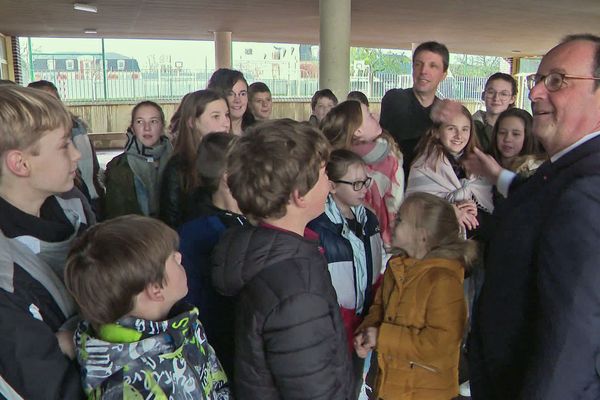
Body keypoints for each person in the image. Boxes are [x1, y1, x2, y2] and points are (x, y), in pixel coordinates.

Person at [467, 34, 600, 400]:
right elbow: (537, 198)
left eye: (556, 80)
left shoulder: (589, 188)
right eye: (537, 80)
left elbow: (572, 342)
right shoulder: (566, 170)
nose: (536, 93)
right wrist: (497, 175)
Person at [212, 119, 353, 399]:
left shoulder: (262, 250)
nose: (330, 183)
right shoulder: (298, 293)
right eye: (324, 174)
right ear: (299, 195)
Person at [64, 215, 231, 399]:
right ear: (156, 289)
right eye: (172, 258)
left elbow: (216, 380)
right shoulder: (124, 387)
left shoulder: (182, 322)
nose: (180, 256)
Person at [0, 85, 87, 399]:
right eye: (64, 145)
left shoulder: (72, 208)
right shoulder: (4, 272)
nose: (77, 153)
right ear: (21, 164)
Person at [354, 192, 475, 400]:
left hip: (426, 393)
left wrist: (381, 336)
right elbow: (380, 308)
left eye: (400, 219)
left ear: (423, 236)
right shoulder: (397, 267)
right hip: (391, 386)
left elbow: (440, 345)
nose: (393, 222)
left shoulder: (443, 280)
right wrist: (367, 333)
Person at [307, 149, 385, 396]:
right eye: (356, 184)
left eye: (366, 181)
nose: (364, 188)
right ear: (331, 186)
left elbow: (375, 270)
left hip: (364, 322)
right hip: (337, 327)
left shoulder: (369, 220)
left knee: (356, 382)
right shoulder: (318, 228)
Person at [178, 133, 248, 379]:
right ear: (228, 179)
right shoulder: (200, 233)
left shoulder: (241, 220)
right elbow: (196, 305)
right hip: (222, 349)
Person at [321, 100, 404, 246]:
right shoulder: (389, 159)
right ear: (358, 131)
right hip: (379, 239)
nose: (374, 115)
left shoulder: (333, 162)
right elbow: (396, 202)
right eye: (369, 115)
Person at [405, 102, 493, 235]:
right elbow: (413, 209)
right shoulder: (423, 166)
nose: (459, 135)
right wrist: (449, 211)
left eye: (465, 129)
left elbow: (488, 215)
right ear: (437, 132)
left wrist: (474, 211)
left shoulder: (479, 166)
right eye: (451, 128)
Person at [27, 80, 104, 216]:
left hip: (92, 196)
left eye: (52, 101)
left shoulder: (78, 128)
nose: (75, 155)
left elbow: (93, 166)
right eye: (42, 102)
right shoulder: (32, 138)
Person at [159, 89, 230, 228]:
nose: (226, 123)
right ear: (192, 122)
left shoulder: (235, 159)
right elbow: (170, 222)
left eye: (227, 115)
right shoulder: (177, 168)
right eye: (216, 116)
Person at [379, 41, 449, 179]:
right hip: (392, 181)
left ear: (443, 75)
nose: (423, 71)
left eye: (433, 66)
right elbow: (402, 134)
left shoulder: (444, 111)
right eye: (418, 64)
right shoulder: (395, 98)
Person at [103, 101, 173, 219]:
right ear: (133, 128)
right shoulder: (118, 167)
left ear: (162, 126)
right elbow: (116, 218)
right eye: (140, 122)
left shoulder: (178, 162)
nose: (147, 128)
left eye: (153, 121)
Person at [489, 107, 544, 175]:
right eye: (502, 132)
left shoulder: (537, 170)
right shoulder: (484, 163)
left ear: (528, 136)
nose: (507, 139)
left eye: (516, 134)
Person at [472, 73, 518, 151]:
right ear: (483, 95)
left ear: (512, 99)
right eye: (491, 92)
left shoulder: (520, 129)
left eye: (503, 94)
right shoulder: (470, 127)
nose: (496, 98)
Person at [207, 68, 255, 135]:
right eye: (230, 94)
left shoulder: (258, 133)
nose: (237, 100)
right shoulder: (209, 135)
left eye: (242, 94)